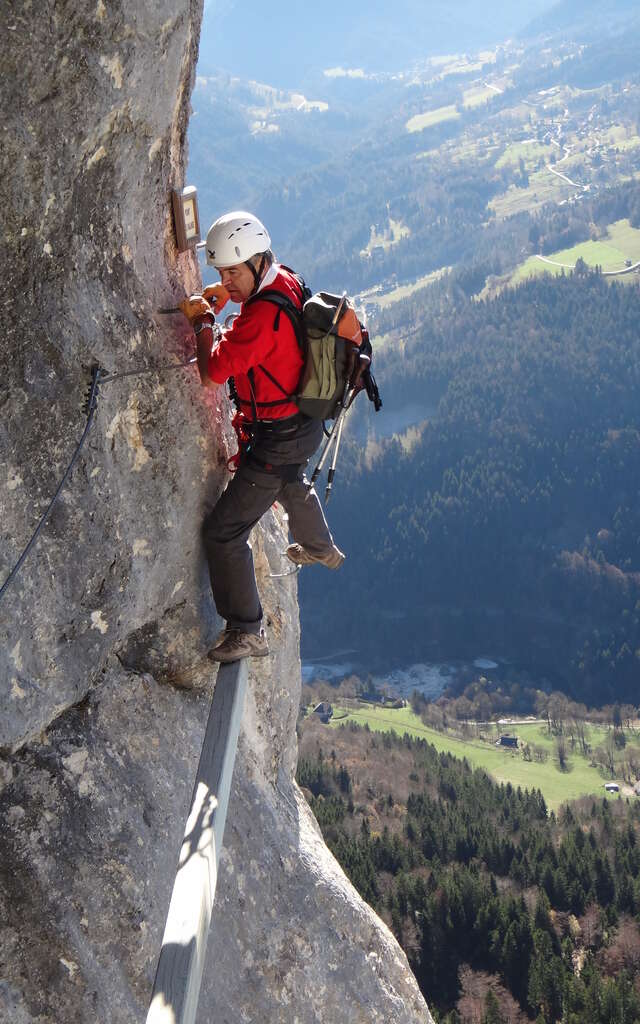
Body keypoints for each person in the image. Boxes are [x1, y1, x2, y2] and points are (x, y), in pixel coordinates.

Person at [180, 211, 345, 663]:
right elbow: (263, 327)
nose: (226, 281)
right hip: (304, 422)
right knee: (292, 479)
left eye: (232, 272)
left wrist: (202, 320)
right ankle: (319, 546)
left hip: (276, 439)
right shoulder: (284, 279)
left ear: (256, 263)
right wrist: (226, 299)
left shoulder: (260, 317)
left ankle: (245, 628)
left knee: (223, 533)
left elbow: (214, 371)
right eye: (219, 272)